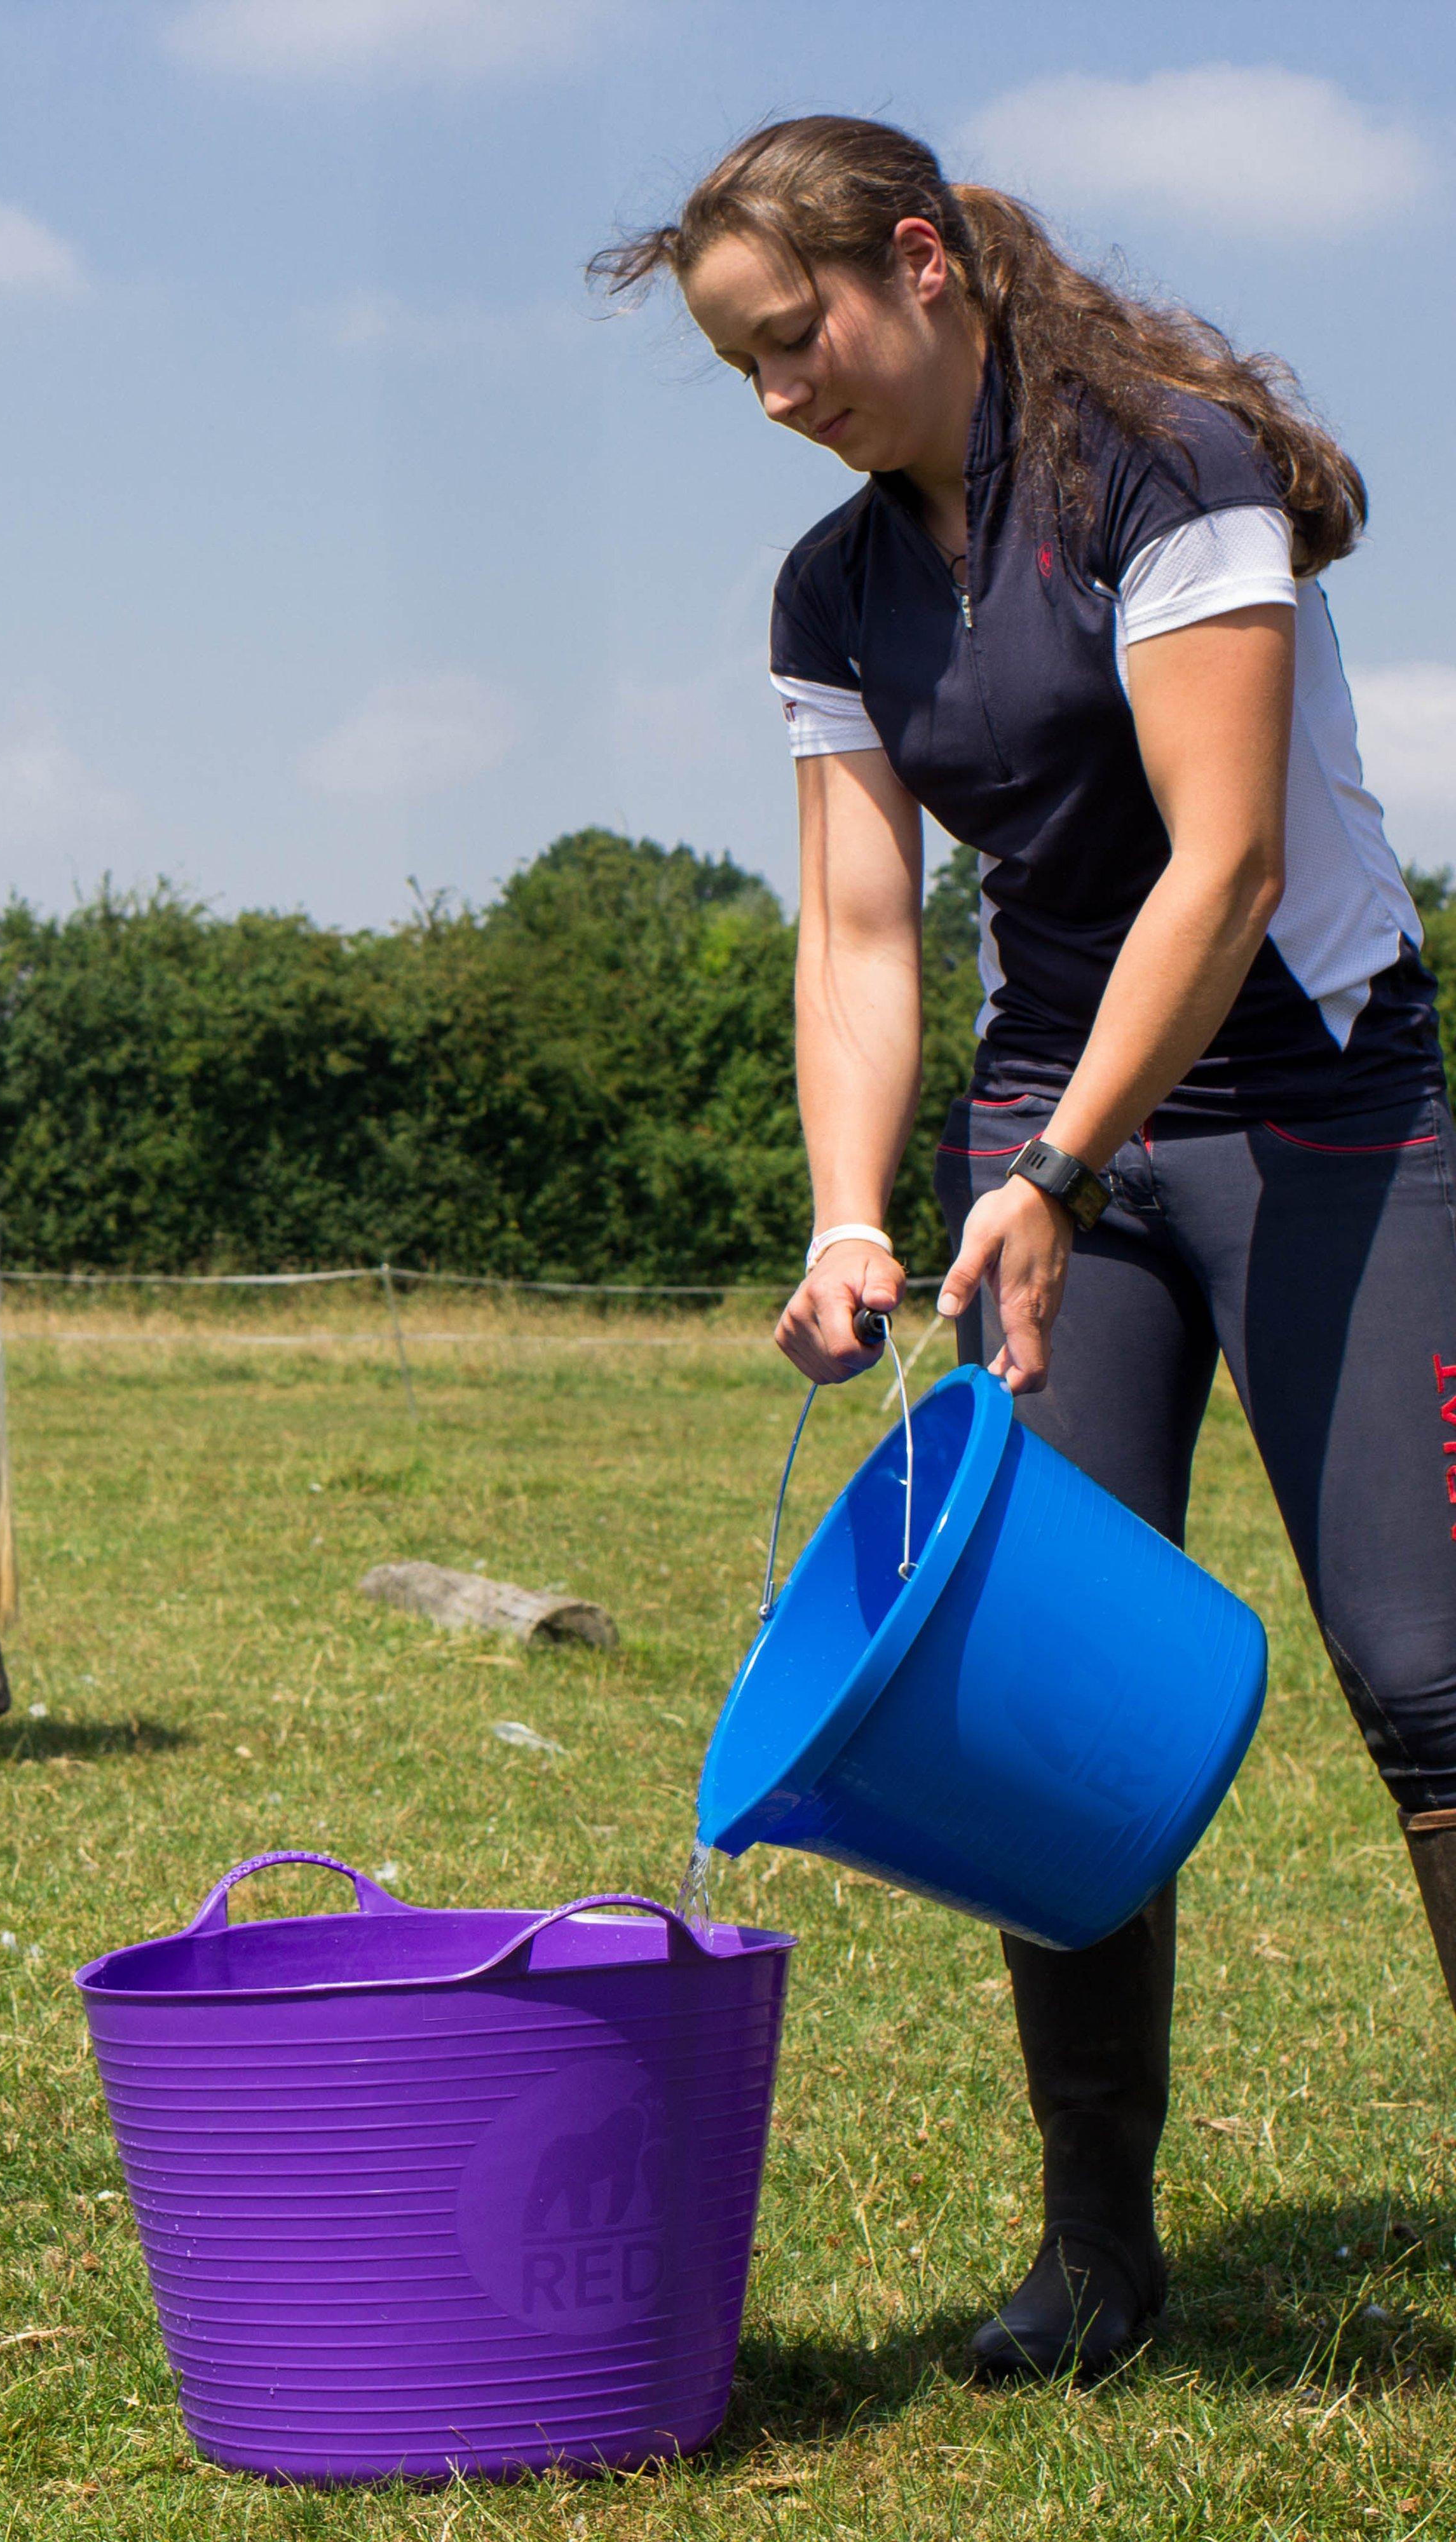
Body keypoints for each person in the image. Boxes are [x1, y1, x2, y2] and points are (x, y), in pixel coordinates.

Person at [598, 116, 1456, 2379]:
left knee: (1430, 1677)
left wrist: (1057, 1171)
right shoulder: (835, 590)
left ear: (921, 263)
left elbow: (1227, 866)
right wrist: (852, 1208)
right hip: (1046, 1150)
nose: (779, 396)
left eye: (797, 340)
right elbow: (862, 930)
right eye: (741, 369)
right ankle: (1098, 2256)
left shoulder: (1170, 470)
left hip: (1312, 1112)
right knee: (1038, 1701)